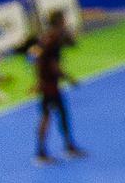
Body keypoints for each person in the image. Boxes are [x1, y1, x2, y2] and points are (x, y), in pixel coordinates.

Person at [21, 10, 83, 163]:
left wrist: (38, 80)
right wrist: (69, 78)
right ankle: (41, 152)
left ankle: (68, 145)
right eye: (63, 20)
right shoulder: (54, 41)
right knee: (46, 116)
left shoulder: (45, 38)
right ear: (59, 22)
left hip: (48, 84)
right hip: (49, 86)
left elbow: (35, 59)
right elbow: (54, 67)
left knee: (61, 113)